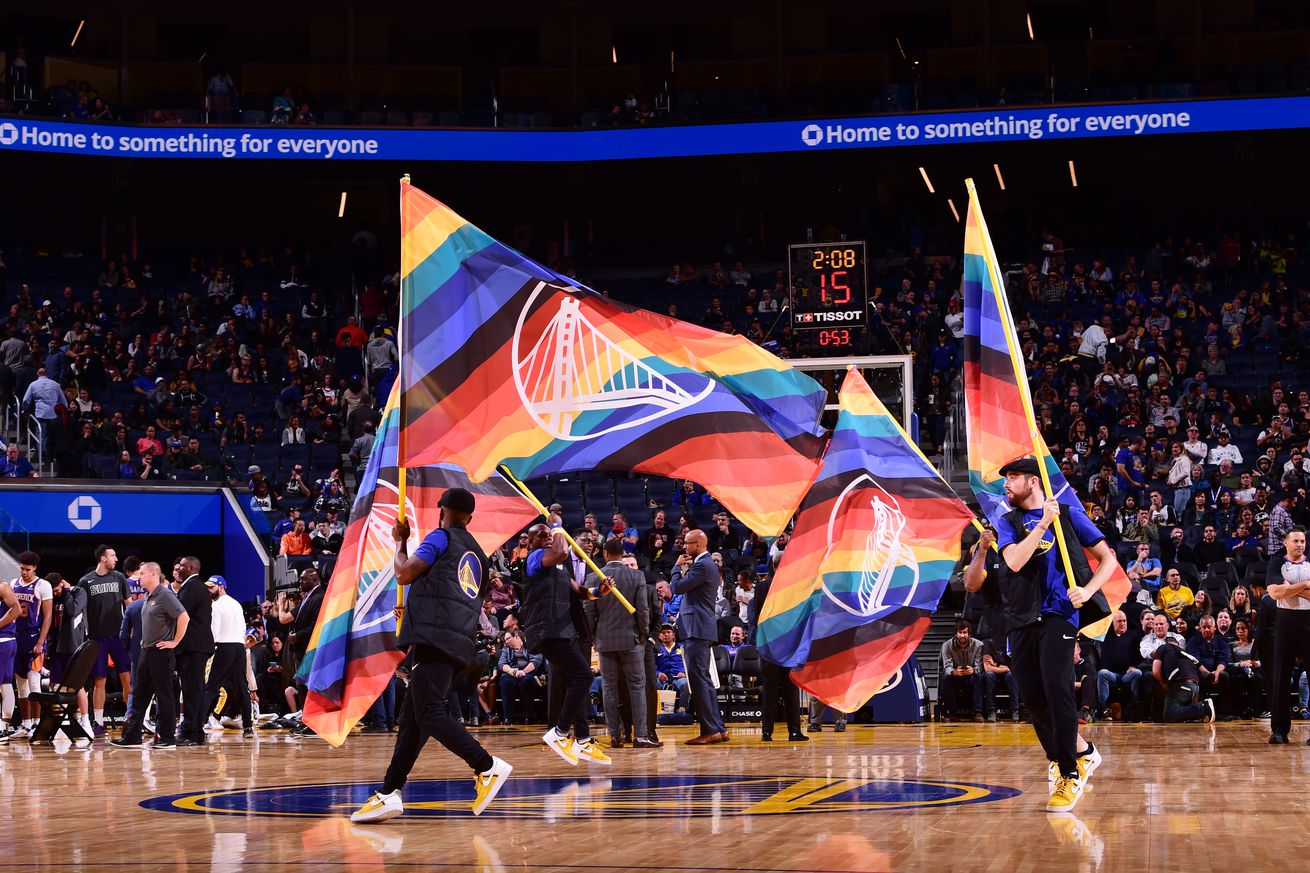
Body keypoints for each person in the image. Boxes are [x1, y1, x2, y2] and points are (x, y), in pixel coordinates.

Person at [351, 488, 514, 823]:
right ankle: (389, 792)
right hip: (461, 644)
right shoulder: (480, 556)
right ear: (470, 517)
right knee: (412, 720)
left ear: (441, 510)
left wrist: (400, 541)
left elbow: (404, 573)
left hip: (435, 640)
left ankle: (486, 766)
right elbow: (453, 595)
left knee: (427, 712)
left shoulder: (440, 537)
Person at [993, 457, 1120, 813]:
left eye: (1013, 478)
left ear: (1033, 482)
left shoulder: (1067, 513)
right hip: (1020, 617)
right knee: (1032, 698)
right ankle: (1083, 751)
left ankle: (1070, 773)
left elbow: (1107, 558)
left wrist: (1088, 588)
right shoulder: (1008, 522)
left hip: (1059, 614)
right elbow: (1015, 561)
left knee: (1057, 688)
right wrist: (1042, 525)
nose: (1006, 485)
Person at [518, 516, 612, 764]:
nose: (547, 536)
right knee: (583, 677)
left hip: (561, 628)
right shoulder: (535, 557)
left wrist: (597, 593)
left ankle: (581, 741)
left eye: (549, 533)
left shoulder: (559, 566)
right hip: (546, 628)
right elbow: (560, 552)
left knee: (578, 680)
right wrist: (558, 526)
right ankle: (559, 732)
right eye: (541, 534)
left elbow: (578, 590)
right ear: (529, 541)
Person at [584, 538, 656, 748]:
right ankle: (640, 736)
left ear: (605, 554)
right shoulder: (636, 575)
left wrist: (595, 637)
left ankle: (615, 736)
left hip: (605, 640)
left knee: (609, 688)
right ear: (622, 553)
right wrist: (642, 634)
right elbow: (643, 610)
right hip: (631, 639)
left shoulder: (592, 577)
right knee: (636, 687)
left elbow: (589, 612)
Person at [109, 562, 189, 749]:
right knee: (139, 695)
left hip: (161, 653)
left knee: (164, 695)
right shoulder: (148, 596)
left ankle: (167, 737)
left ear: (153, 574)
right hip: (146, 652)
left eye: (143, 573)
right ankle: (132, 736)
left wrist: (175, 642)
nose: (139, 577)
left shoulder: (165, 594)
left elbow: (184, 617)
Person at [670, 528, 729, 745]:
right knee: (704, 680)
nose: (684, 547)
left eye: (687, 543)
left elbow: (676, 588)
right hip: (700, 628)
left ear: (699, 544)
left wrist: (677, 567)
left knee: (699, 681)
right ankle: (718, 729)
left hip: (696, 628)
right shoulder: (705, 565)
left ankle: (710, 730)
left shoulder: (703, 565)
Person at [77, 545, 132, 737]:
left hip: (118, 636)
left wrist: (132, 630)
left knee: (127, 678)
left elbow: (129, 605)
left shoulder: (119, 577)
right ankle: (98, 723)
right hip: (97, 638)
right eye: (112, 555)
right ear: (102, 558)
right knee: (99, 680)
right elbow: (80, 611)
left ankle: (131, 718)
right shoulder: (86, 581)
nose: (116, 558)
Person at [1265, 528, 1310, 744]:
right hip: (1286, 620)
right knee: (1281, 676)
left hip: (1309, 620)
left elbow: (1283, 590)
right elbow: (1274, 593)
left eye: (1302, 541)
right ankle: (1279, 730)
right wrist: (1305, 586)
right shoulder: (1276, 563)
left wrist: (1289, 588)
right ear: (1286, 542)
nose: (1300, 545)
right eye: (1295, 541)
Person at [8, 551, 52, 739]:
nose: (24, 572)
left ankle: (37, 723)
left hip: (34, 638)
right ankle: (25, 725)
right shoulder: (12, 584)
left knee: (34, 682)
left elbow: (48, 616)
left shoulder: (43, 585)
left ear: (35, 568)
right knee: (21, 684)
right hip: (16, 637)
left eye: (27, 569)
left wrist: (41, 642)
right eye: (22, 568)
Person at [203, 576, 253, 738]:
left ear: (221, 587)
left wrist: (208, 650)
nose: (209, 590)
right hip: (239, 648)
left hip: (223, 647)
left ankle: (198, 724)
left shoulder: (215, 606)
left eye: (212, 587)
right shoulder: (236, 604)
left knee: (211, 688)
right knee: (241, 689)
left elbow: (213, 632)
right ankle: (248, 727)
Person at [174, 556, 214, 746]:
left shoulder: (192, 587)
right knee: (194, 690)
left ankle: (190, 732)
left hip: (193, 646)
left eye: (181, 566)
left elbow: (177, 612)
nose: (178, 569)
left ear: (190, 568)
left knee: (192, 690)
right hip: (197, 646)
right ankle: (196, 732)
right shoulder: (197, 586)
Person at [1151, 635, 1216, 723]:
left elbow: (1155, 672)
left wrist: (1163, 684)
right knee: (1180, 710)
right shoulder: (1187, 654)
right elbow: (1206, 672)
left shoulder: (1163, 647)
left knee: (1169, 715)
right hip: (1195, 687)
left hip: (1181, 684)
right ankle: (1200, 711)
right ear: (1178, 645)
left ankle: (1203, 707)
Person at [1096, 611, 1143, 720]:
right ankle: (1105, 709)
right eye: (1119, 621)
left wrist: (1135, 666)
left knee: (1138, 673)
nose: (1123, 623)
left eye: (1124, 621)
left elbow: (1141, 657)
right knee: (1102, 673)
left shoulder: (1134, 636)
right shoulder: (1105, 636)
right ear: (1113, 623)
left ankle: (1134, 707)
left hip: (1127, 674)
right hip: (1112, 674)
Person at [939, 620, 984, 721]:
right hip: (956, 675)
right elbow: (947, 665)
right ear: (956, 633)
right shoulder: (947, 645)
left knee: (978, 677)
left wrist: (973, 670)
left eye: (964, 633)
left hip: (971, 675)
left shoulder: (979, 645)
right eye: (960, 632)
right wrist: (953, 672)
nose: (962, 635)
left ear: (969, 634)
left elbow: (979, 667)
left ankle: (978, 713)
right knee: (946, 677)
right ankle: (953, 713)